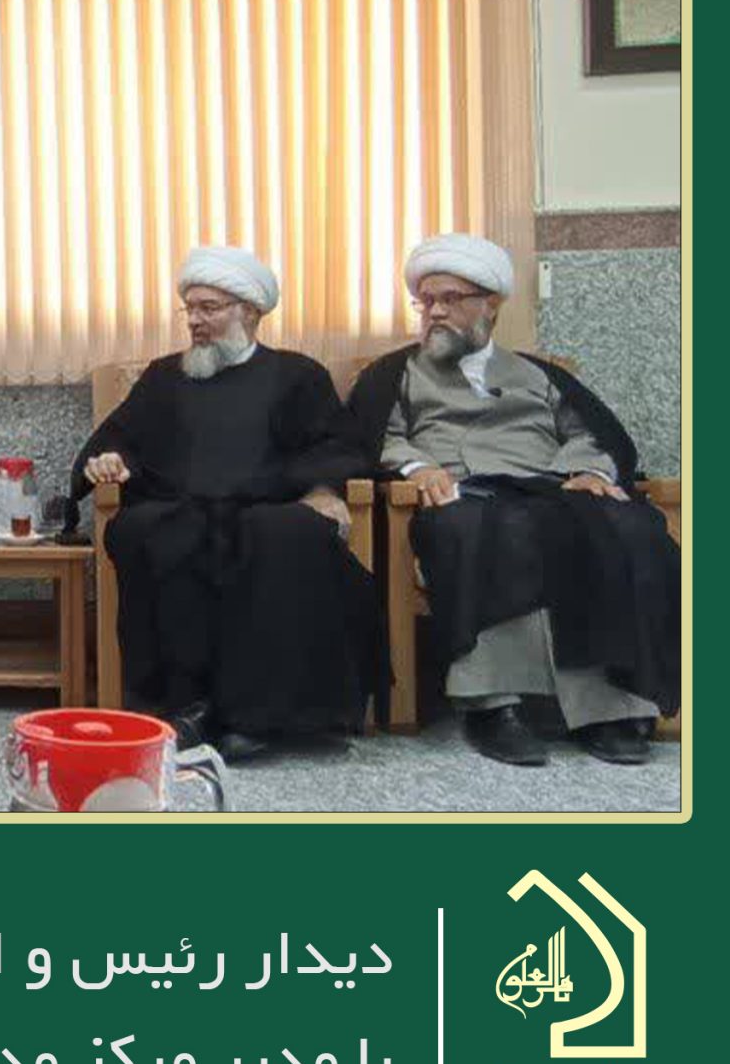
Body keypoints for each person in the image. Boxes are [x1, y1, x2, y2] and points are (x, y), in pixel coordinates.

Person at [345, 233, 678, 767]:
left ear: (491, 305)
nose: (435, 312)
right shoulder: (395, 374)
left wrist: (588, 470)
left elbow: (592, 432)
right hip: (462, 492)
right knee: (488, 530)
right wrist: (417, 466)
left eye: (450, 299)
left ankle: (612, 708)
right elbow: (376, 435)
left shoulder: (538, 374)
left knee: (630, 529)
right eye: (426, 301)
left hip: (550, 486)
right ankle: (493, 706)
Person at [70, 247, 380, 761]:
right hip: (181, 509)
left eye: (208, 308)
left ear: (250, 312)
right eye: (189, 308)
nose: (194, 320)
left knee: (284, 535)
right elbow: (120, 438)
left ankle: (258, 717)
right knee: (150, 530)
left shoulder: (296, 374)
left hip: (267, 509)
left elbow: (336, 446)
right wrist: (110, 462)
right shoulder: (164, 377)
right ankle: (184, 705)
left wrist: (322, 490)